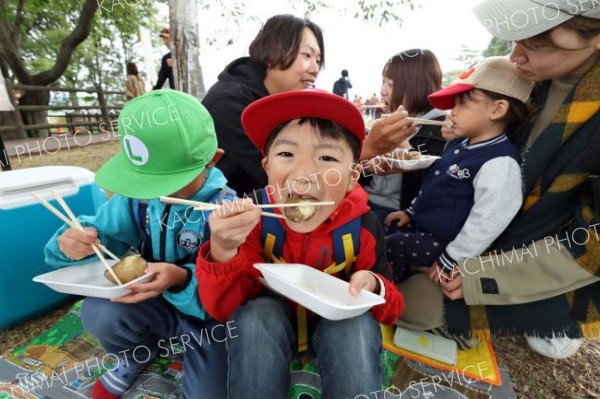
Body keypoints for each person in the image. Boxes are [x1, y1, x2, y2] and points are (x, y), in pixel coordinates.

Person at [398, 0, 600, 360]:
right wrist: (463, 133)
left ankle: (549, 315)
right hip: (476, 238)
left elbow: (592, 240)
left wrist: (492, 275)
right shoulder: (521, 84)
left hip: (544, 257)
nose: (515, 56)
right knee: (410, 296)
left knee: (420, 306)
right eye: (514, 38)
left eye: (536, 42)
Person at [196, 90, 405, 399]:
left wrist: (375, 287)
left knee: (356, 324)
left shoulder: (364, 226)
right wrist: (223, 251)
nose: (305, 175)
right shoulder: (251, 219)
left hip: (335, 335)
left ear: (352, 177)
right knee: (255, 315)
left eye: (327, 158)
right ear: (266, 166)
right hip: (268, 335)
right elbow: (224, 310)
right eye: (286, 154)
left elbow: (392, 309)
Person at [44, 90, 233, 399]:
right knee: (98, 313)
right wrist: (70, 245)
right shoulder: (138, 200)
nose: (155, 191)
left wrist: (181, 278)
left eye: (168, 179)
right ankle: (135, 354)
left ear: (213, 159)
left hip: (209, 323)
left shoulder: (227, 210)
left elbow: (229, 295)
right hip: (151, 306)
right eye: (146, 180)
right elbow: (103, 234)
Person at [385, 56, 531, 287]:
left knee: (390, 246)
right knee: (382, 228)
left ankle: (389, 295)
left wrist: (452, 258)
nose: (452, 112)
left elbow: (488, 220)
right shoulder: (459, 144)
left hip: (445, 242)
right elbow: (434, 184)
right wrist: (410, 212)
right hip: (423, 225)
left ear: (497, 109)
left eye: (462, 103)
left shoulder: (499, 162)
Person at [202, 14, 324, 196]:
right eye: (307, 55)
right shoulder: (229, 103)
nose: (314, 69)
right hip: (229, 215)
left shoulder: (284, 102)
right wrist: (363, 153)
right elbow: (278, 179)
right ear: (273, 52)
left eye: (318, 60)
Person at [363, 49, 447, 226]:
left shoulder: (440, 129)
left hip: (396, 213)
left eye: (391, 84)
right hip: (364, 198)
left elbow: (434, 184)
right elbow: (360, 172)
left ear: (415, 86)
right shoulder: (385, 122)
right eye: (383, 82)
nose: (382, 91)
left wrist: (405, 146)